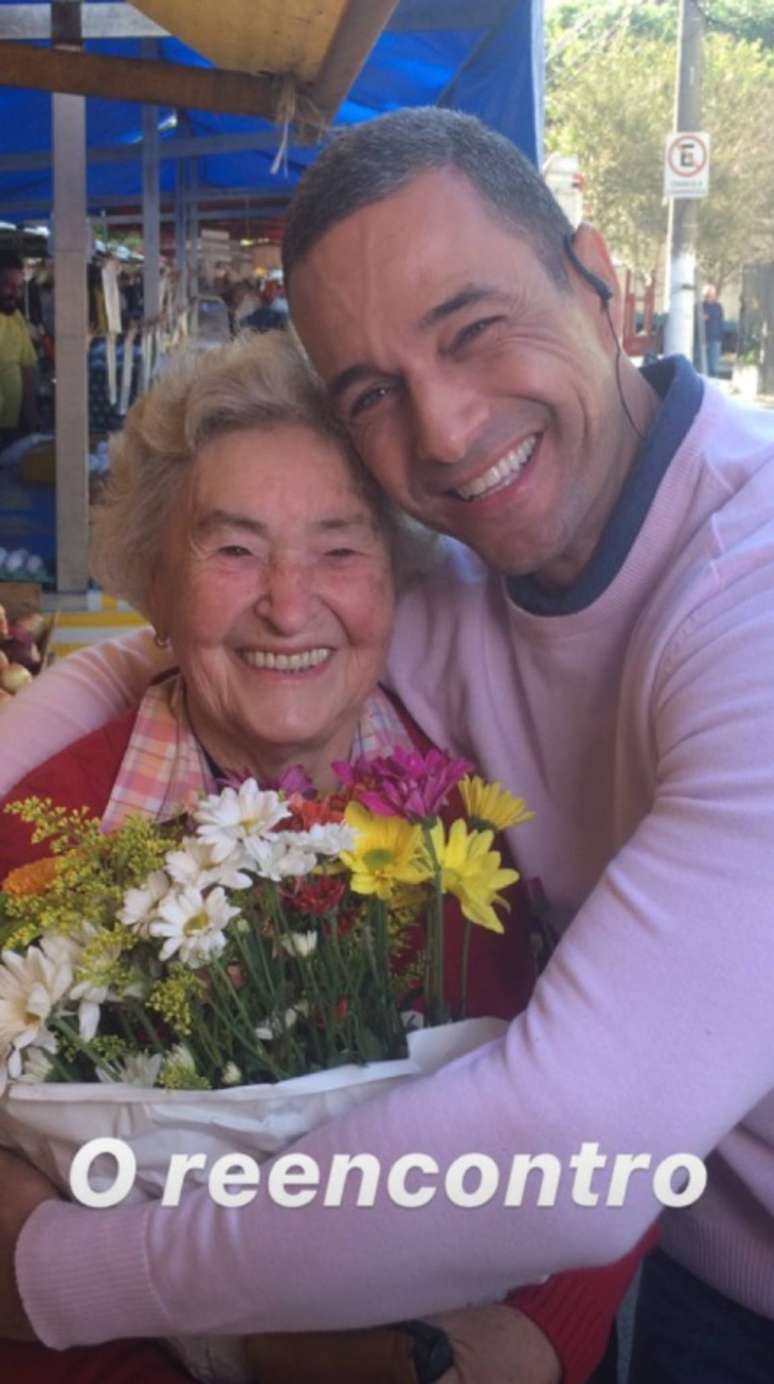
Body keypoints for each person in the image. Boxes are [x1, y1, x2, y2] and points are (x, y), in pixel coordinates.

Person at [1, 107, 773, 1381]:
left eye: (475, 329)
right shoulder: (457, 587)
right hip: (692, 1253)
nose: (449, 430)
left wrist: (54, 1273)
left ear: (599, 283)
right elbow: (177, 649)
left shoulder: (745, 593)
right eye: (373, 392)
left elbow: (574, 1136)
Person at [0, 329, 648, 1384]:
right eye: (234, 550)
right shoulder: (47, 832)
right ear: (155, 586)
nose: (290, 605)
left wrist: (534, 1338)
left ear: (400, 579)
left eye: (340, 549)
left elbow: (623, 1104)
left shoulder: (490, 814)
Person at [0, 249, 38, 448]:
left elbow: (27, 368)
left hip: (12, 426)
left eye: (18, 287)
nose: (14, 293)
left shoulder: (16, 317)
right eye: (8, 285)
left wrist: (31, 416)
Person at [702, 284, 724, 378]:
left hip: (715, 339)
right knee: (703, 365)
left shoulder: (718, 306)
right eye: (710, 293)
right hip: (703, 339)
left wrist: (721, 337)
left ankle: (714, 382)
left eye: (713, 294)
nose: (713, 296)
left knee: (714, 367)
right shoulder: (701, 306)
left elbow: (720, 321)